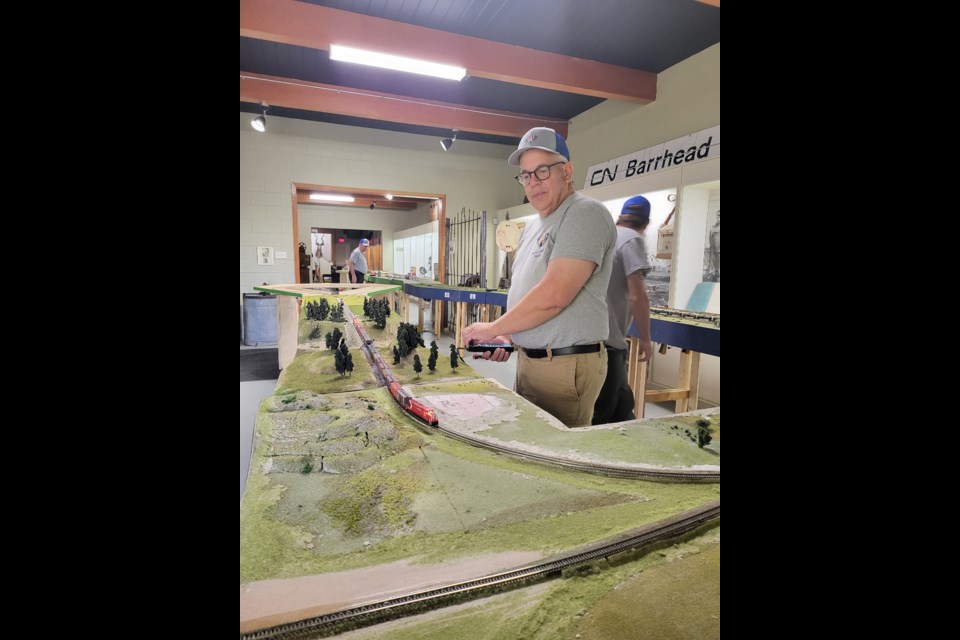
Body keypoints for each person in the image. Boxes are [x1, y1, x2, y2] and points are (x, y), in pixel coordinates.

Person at [461, 127, 616, 427]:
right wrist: (509, 336)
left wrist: (494, 327)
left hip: (564, 363)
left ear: (567, 171)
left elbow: (554, 296)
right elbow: (531, 292)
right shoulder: (534, 225)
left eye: (542, 171)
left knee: (554, 456)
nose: (533, 182)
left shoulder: (585, 214)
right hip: (532, 360)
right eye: (526, 175)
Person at [592, 196, 653, 425]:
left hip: (593, 336)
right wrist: (646, 338)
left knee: (623, 405)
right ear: (645, 224)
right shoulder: (632, 239)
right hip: (610, 341)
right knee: (603, 414)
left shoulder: (604, 235)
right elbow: (638, 296)